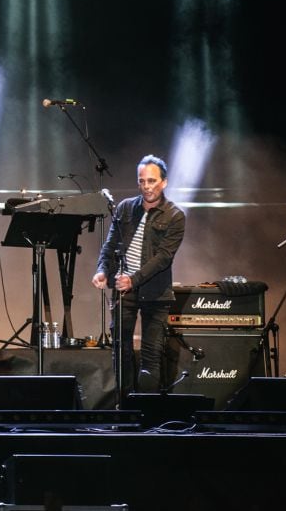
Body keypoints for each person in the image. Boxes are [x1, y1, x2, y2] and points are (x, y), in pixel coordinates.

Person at [92, 154, 185, 399]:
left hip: (155, 293)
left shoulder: (175, 216)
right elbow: (110, 245)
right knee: (121, 351)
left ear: (163, 182)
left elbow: (164, 257)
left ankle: (146, 412)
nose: (146, 186)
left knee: (151, 353)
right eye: (142, 181)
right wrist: (102, 270)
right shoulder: (125, 208)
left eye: (152, 181)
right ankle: (125, 410)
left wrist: (133, 279)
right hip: (124, 291)